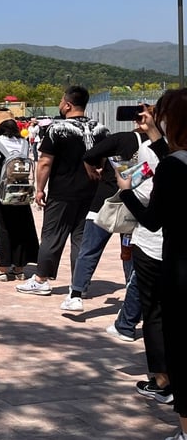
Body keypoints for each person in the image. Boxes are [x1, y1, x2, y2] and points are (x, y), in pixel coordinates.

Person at [117, 88, 187, 440]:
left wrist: (126, 192)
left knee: (177, 343)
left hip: (178, 269)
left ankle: (186, 437)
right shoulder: (172, 160)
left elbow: (153, 218)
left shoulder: (174, 166)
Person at [17, 86, 107, 296]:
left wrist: (39, 189)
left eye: (60, 101)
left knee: (52, 235)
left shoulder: (56, 130)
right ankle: (79, 284)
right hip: (91, 191)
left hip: (62, 191)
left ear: (67, 105)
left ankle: (41, 279)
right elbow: (105, 161)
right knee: (81, 238)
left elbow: (45, 162)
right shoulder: (101, 129)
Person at [59, 128, 144, 311]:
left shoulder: (122, 138)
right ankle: (132, 295)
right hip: (135, 206)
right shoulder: (161, 146)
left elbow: (89, 155)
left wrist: (94, 171)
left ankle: (76, 294)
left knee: (89, 249)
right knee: (129, 253)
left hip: (105, 203)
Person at [0, 119, 40, 281]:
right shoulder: (24, 143)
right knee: (20, 227)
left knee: (3, 228)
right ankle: (19, 268)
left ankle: (3, 269)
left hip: (0, 191)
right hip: (21, 190)